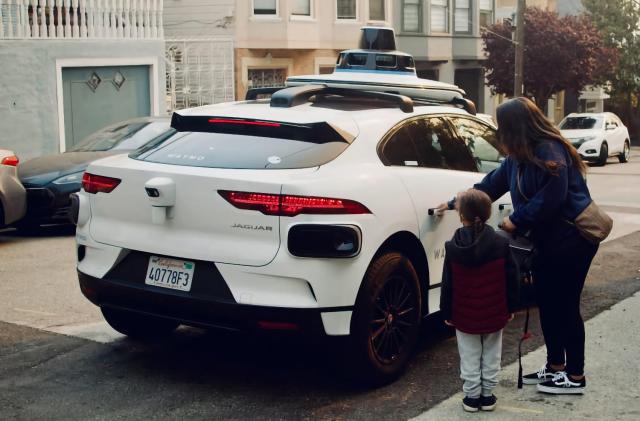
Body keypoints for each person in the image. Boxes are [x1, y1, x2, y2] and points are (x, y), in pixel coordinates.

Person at [437, 97, 598, 395]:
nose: (499, 133)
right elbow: (488, 187)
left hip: (572, 240)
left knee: (565, 305)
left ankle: (575, 376)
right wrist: (452, 203)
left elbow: (553, 198)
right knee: (548, 303)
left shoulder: (550, 150)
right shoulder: (517, 159)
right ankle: (556, 367)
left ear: (515, 127)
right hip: (549, 241)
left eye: (502, 127)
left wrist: (516, 220)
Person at [440, 189, 520, 412]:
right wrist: (511, 307)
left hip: (464, 315)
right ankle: (487, 396)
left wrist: (447, 312)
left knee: (469, 355)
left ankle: (472, 397)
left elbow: (448, 283)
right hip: (495, 311)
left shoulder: (453, 246)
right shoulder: (500, 243)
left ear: (461, 216)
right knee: (492, 354)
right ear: (487, 214)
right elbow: (512, 278)